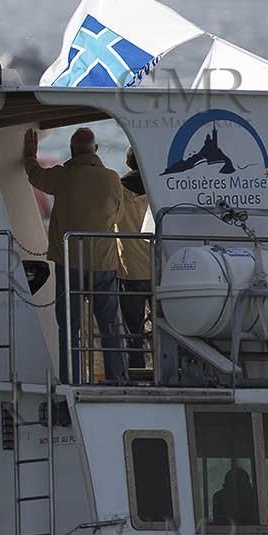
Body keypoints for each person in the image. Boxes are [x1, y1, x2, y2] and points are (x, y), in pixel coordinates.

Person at [23, 126, 128, 384]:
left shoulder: (63, 176)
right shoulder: (112, 178)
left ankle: (72, 378)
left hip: (69, 262)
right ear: (96, 150)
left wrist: (29, 155)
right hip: (103, 262)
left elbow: (35, 176)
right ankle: (117, 378)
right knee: (109, 326)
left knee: (69, 328)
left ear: (71, 150)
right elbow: (119, 216)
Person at [115, 147, 152, 373]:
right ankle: (170, 371)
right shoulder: (158, 188)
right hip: (160, 268)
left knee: (133, 331)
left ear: (128, 164)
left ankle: (136, 372)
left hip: (129, 269)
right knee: (167, 327)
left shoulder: (118, 190)